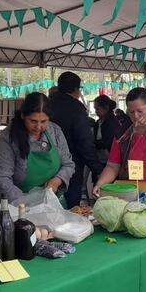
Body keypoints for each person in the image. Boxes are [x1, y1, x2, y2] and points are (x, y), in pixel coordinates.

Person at [0, 92, 75, 203]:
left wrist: (57, 180)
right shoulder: (8, 138)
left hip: (53, 202)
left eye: (44, 121)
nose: (38, 127)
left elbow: (68, 164)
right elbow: (2, 179)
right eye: (33, 121)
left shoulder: (55, 131)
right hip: (20, 205)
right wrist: (27, 202)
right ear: (23, 115)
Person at [49, 72, 103, 208]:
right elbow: (84, 142)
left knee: (47, 204)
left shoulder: (47, 105)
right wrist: (97, 168)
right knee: (71, 205)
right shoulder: (76, 109)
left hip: (47, 162)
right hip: (72, 164)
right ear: (76, 89)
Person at [93, 95, 123, 167]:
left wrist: (93, 144)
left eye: (98, 109)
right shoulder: (98, 122)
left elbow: (108, 142)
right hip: (100, 159)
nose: (96, 111)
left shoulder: (112, 122)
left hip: (111, 160)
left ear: (106, 108)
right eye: (95, 109)